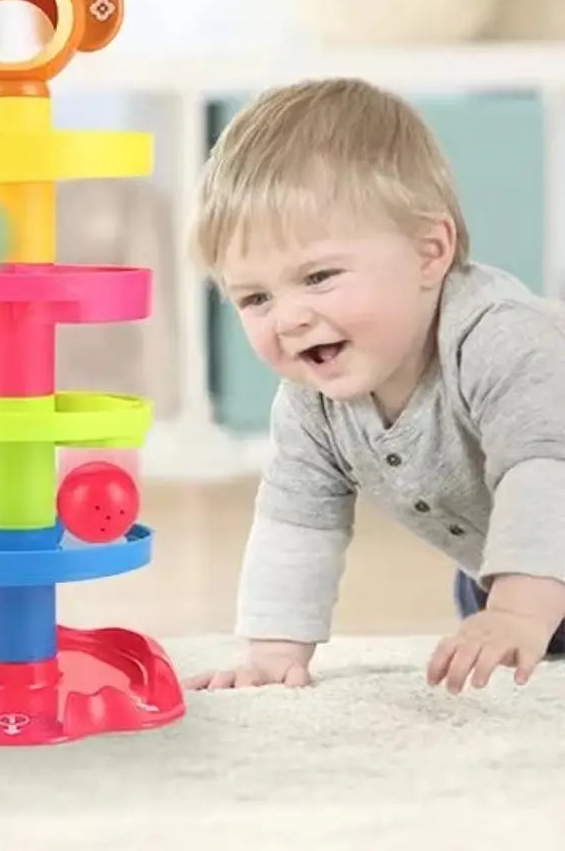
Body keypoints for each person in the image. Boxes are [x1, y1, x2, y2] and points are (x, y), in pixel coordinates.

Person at [183, 77, 565, 696]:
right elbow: (296, 519)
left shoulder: (501, 339)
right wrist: (273, 651)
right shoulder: (312, 404)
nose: (290, 318)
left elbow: (547, 471)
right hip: (508, 564)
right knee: (485, 600)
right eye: (255, 297)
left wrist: (519, 612)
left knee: (509, 591)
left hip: (547, 517)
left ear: (429, 252)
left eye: (319, 276)